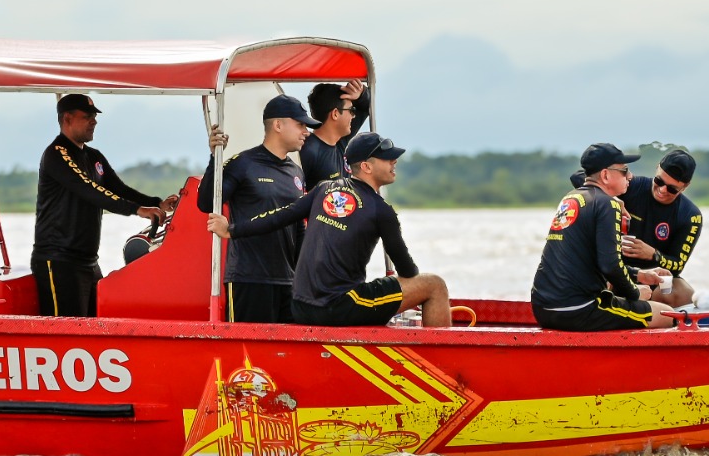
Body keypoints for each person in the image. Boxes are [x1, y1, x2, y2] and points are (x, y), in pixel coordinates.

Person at [208, 131, 451, 327]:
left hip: (301, 307)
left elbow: (280, 216)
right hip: (338, 307)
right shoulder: (382, 210)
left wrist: (232, 229)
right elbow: (407, 270)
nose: (394, 161)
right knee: (434, 285)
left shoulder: (324, 189)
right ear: (366, 166)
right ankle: (444, 373)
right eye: (388, 158)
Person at [32, 94, 178, 317]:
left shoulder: (93, 156)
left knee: (93, 325)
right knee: (65, 332)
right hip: (59, 261)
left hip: (88, 261)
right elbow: (89, 190)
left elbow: (119, 189)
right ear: (67, 118)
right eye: (88, 116)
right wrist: (137, 210)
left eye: (95, 117)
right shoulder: (56, 154)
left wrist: (156, 203)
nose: (94, 121)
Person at [196, 94, 321, 323]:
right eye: (301, 124)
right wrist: (214, 157)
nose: (306, 131)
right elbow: (206, 203)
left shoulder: (297, 172)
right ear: (278, 125)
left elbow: (298, 227)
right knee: (242, 356)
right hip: (248, 279)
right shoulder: (243, 164)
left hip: (287, 283)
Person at [532, 143, 675, 331]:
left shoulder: (571, 198)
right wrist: (634, 293)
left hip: (543, 309)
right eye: (624, 171)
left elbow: (596, 262)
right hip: (578, 310)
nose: (630, 176)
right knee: (667, 314)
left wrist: (640, 275)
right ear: (606, 175)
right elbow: (610, 265)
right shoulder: (608, 205)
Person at [620, 148, 703, 306]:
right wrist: (609, 200)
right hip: (615, 273)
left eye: (672, 189)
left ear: (685, 186)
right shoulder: (628, 187)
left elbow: (677, 266)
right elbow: (582, 179)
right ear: (657, 168)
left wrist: (654, 255)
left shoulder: (690, 216)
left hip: (654, 281)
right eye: (659, 181)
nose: (662, 190)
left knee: (681, 291)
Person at [300, 78, 370, 187]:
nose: (353, 116)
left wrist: (361, 93)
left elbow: (367, 107)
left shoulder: (341, 142)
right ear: (335, 114)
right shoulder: (307, 150)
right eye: (351, 110)